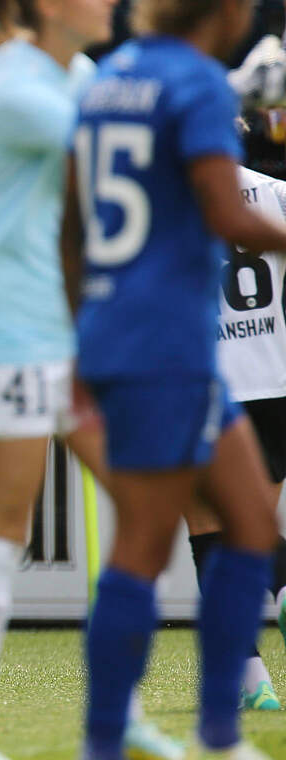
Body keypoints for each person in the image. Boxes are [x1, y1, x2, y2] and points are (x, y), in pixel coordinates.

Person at [0, 2, 170, 758]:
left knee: (146, 504)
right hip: (6, 326)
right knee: (3, 529)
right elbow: (128, 143)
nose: (110, 3)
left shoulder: (82, 72)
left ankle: (118, 713)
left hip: (69, 330)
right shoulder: (13, 86)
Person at [61, 0, 286, 757]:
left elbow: (69, 223)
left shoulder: (102, 80)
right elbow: (230, 214)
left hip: (136, 337)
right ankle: (116, 734)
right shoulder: (196, 82)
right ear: (225, 12)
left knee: (247, 522)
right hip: (166, 344)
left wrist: (78, 337)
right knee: (151, 541)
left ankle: (217, 725)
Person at [182, 160, 286, 713]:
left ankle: (253, 681)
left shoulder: (168, 194)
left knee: (210, 532)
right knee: (257, 530)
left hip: (201, 386)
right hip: (274, 383)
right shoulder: (275, 193)